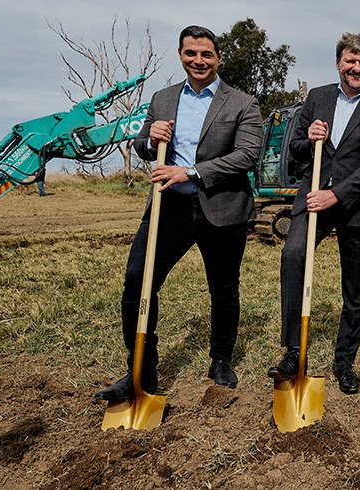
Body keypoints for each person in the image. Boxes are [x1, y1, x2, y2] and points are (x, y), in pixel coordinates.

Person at [94, 25, 263, 401]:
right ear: (181, 55)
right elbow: (141, 143)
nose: (198, 61)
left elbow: (247, 154)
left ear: (218, 58)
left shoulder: (242, 103)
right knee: (138, 280)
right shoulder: (163, 98)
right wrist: (149, 138)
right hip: (169, 208)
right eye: (191, 53)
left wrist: (190, 171)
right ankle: (141, 370)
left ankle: (220, 359)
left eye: (206, 54)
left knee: (223, 290)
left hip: (223, 208)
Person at [268, 32, 360, 395]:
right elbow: (294, 149)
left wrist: (336, 195)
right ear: (338, 63)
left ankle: (345, 362)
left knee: (354, 289)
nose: (357, 68)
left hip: (358, 203)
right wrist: (308, 138)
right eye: (350, 61)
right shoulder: (317, 97)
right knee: (293, 256)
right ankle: (294, 352)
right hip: (313, 196)